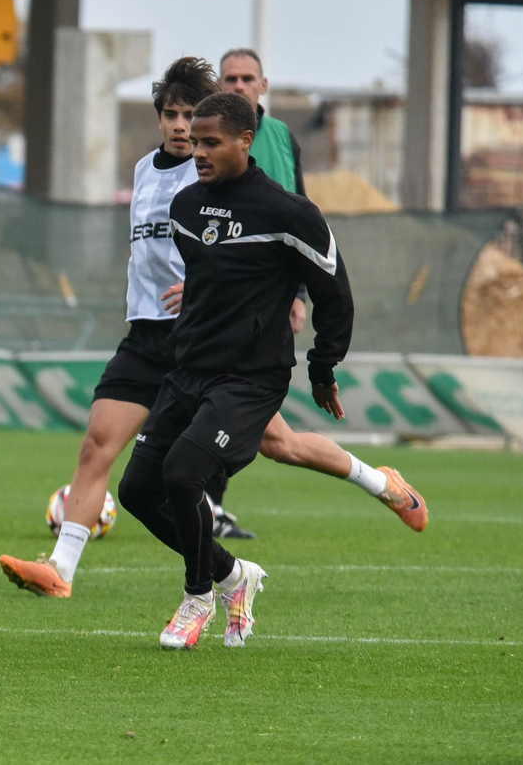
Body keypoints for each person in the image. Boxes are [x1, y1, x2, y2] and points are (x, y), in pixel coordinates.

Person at [0, 58, 424, 600]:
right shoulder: (144, 171)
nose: (182, 129)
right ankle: (61, 568)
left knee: (283, 446)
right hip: (147, 337)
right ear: (158, 120)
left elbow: (275, 240)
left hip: (212, 345)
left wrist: (274, 298)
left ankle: (380, 482)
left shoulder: (216, 169)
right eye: (171, 115)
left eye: (190, 117)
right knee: (96, 446)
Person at [116, 91, 354, 650]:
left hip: (251, 380)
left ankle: (198, 595)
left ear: (246, 142)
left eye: (210, 142)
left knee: (183, 475)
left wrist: (323, 368)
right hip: (189, 370)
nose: (197, 151)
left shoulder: (290, 213)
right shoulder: (187, 207)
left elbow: (335, 294)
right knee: (135, 490)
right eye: (195, 141)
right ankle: (232, 574)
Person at [205, 47, 308, 537]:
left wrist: (299, 294)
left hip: (271, 299)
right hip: (218, 301)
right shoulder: (205, 144)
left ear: (263, 86)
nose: (239, 84)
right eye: (230, 77)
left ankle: (209, 501)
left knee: (262, 426)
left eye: (248, 77)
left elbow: (301, 214)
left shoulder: (283, 137)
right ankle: (207, 501)